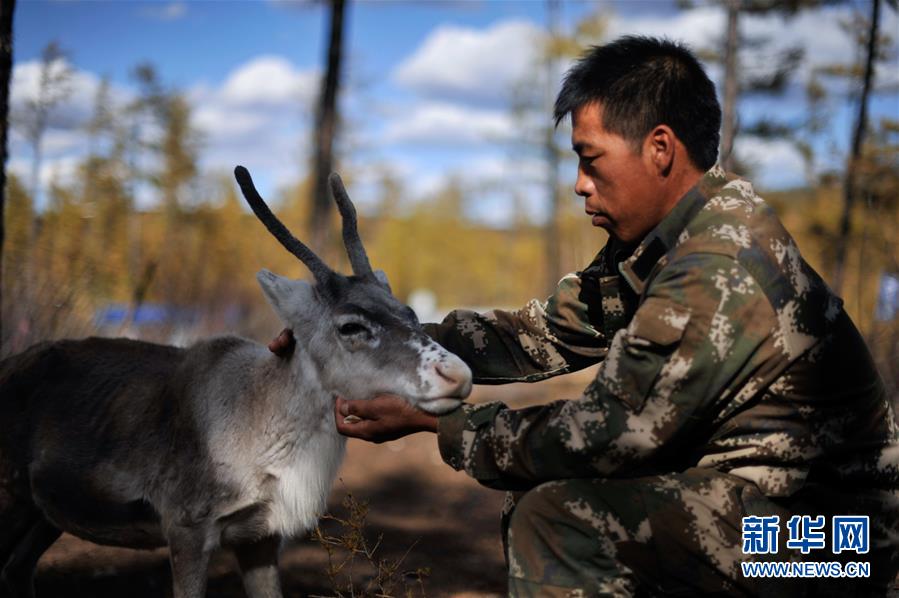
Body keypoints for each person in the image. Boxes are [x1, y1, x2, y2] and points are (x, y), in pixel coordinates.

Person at [273, 36, 899, 596]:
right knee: (556, 502)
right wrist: (385, 341)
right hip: (769, 509)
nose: (578, 184)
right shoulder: (659, 245)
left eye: (590, 158)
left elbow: (605, 434)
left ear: (659, 149)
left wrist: (437, 425)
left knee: (561, 521)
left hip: (834, 546)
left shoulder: (716, 264)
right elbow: (540, 334)